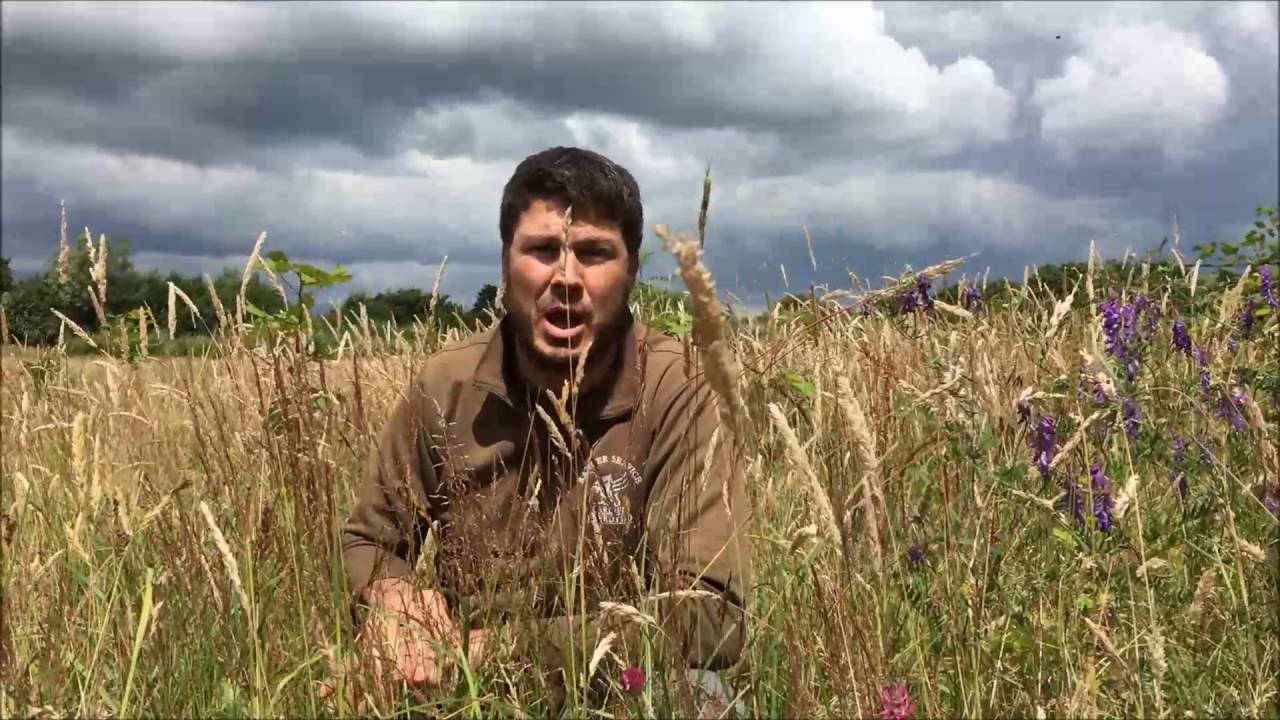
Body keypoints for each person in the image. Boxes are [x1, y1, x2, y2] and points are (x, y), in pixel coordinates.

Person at [337, 147, 752, 711]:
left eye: (594, 253)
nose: (566, 278)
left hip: (621, 684)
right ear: (505, 264)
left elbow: (712, 616)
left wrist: (497, 651)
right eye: (541, 250)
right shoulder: (446, 385)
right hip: (466, 693)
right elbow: (367, 540)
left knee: (706, 698)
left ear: (631, 271)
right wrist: (392, 601)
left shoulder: (679, 388)